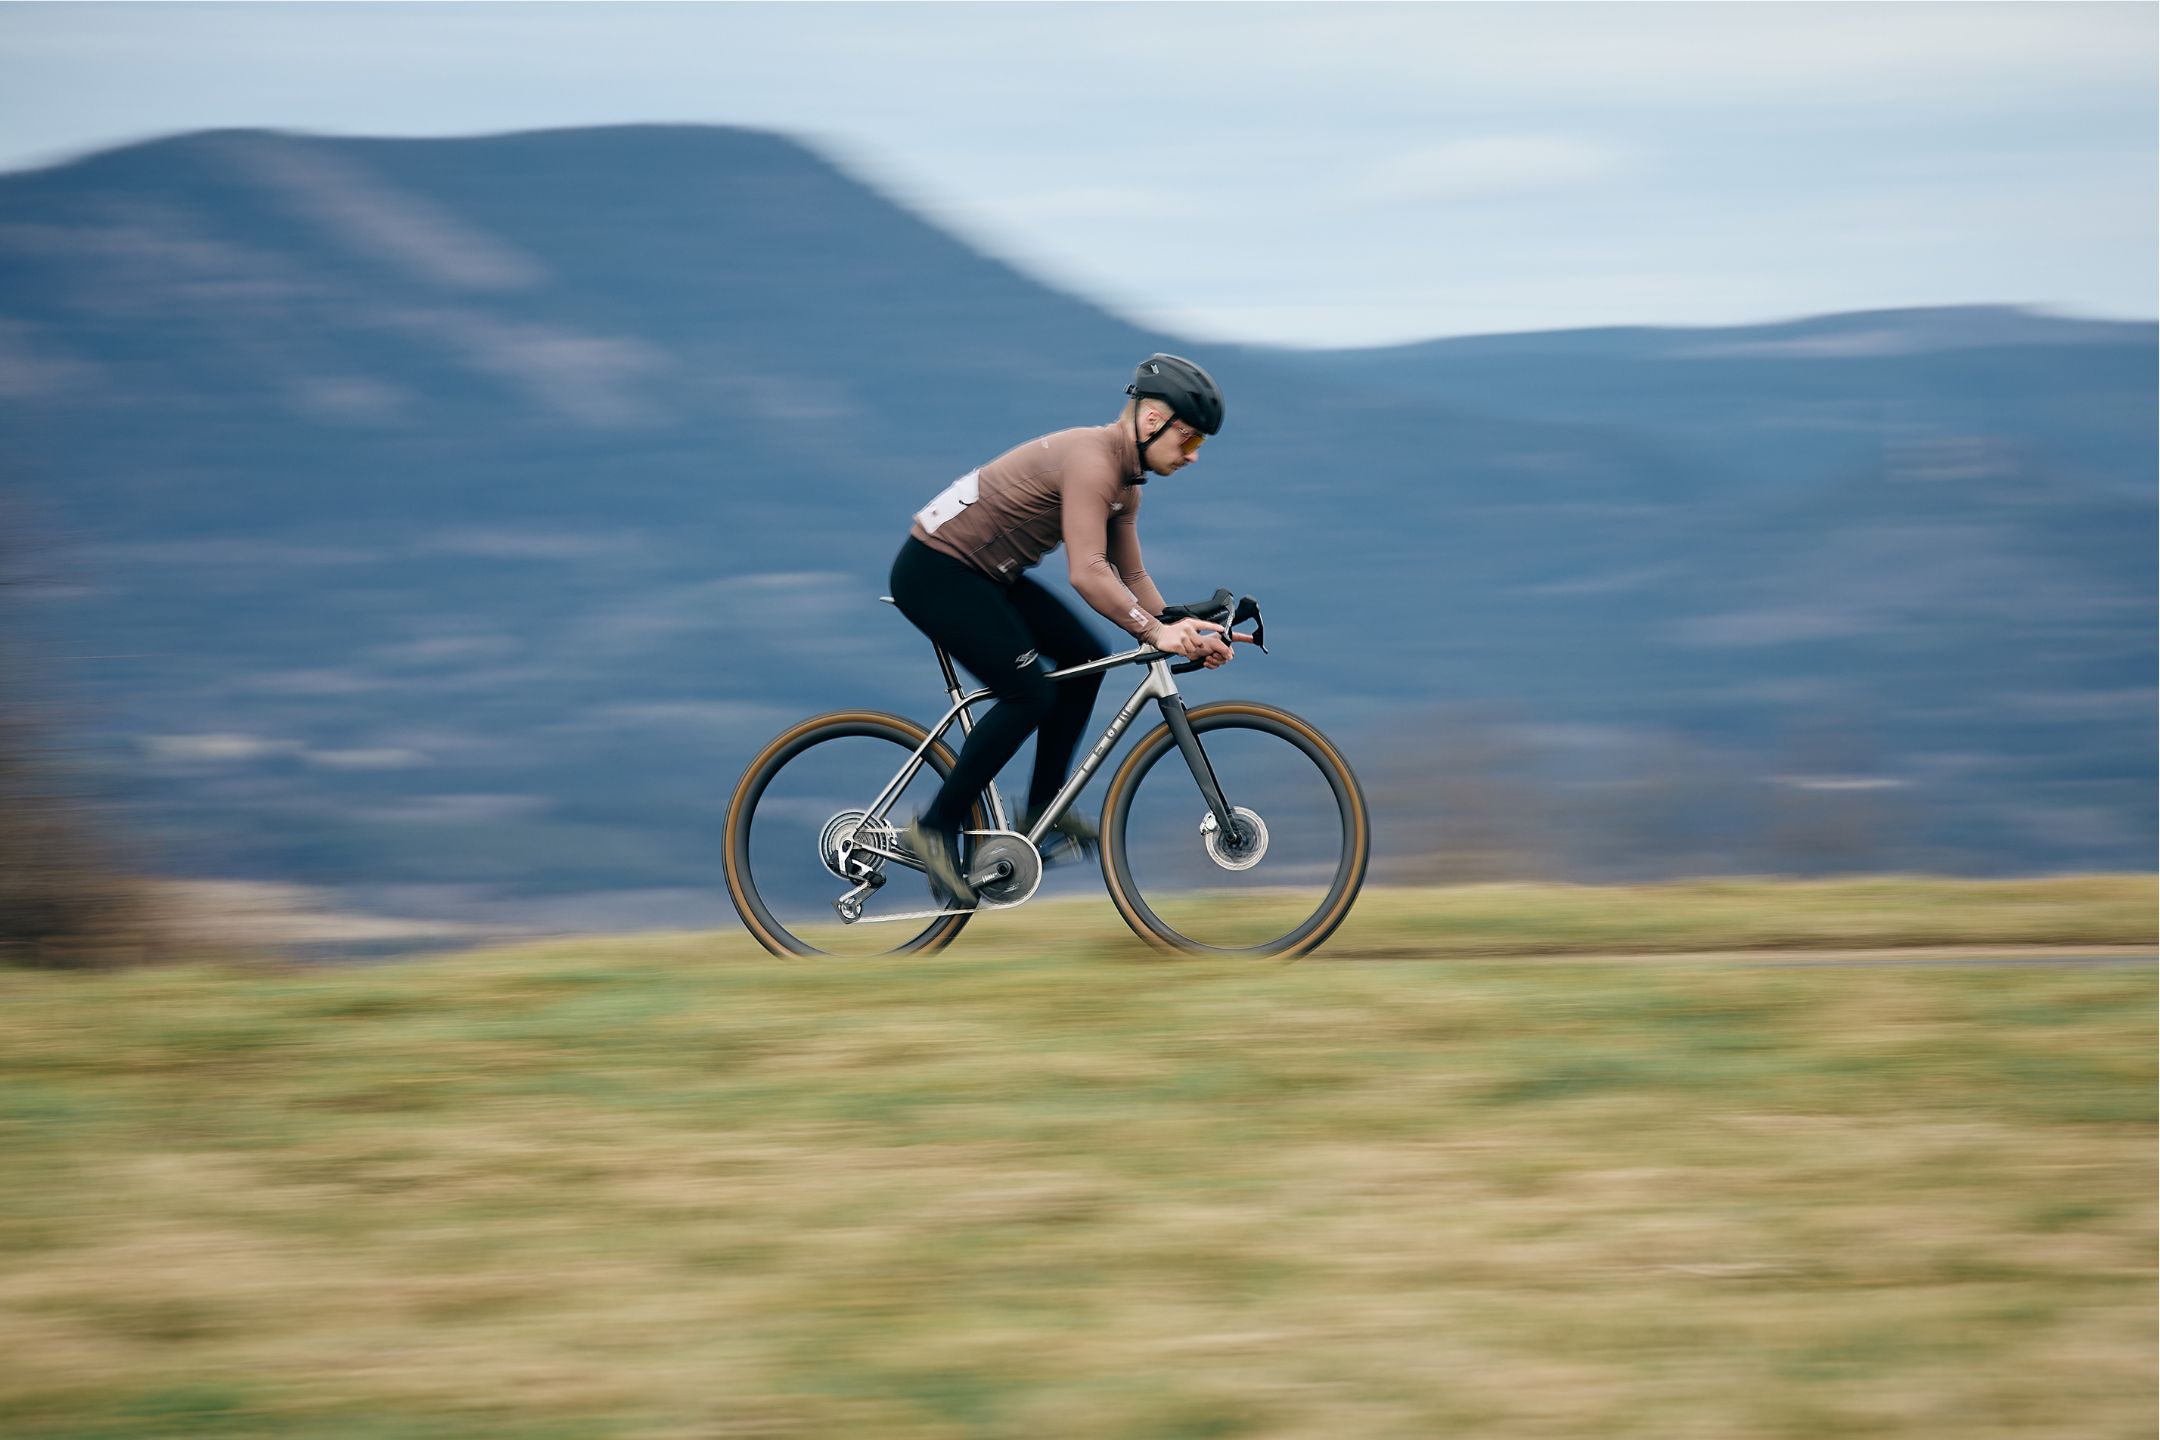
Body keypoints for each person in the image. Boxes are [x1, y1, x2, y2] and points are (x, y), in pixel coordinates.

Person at [891, 354, 1245, 907]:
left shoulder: (1128, 484)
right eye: (1191, 439)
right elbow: (1088, 572)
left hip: (986, 575)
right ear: (1152, 419)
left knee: (1084, 656)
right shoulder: (1093, 463)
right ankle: (935, 828)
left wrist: (1179, 624)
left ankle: (1043, 814)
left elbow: (1130, 576)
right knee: (1028, 694)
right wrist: (1154, 632)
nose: (1194, 456)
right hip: (937, 571)